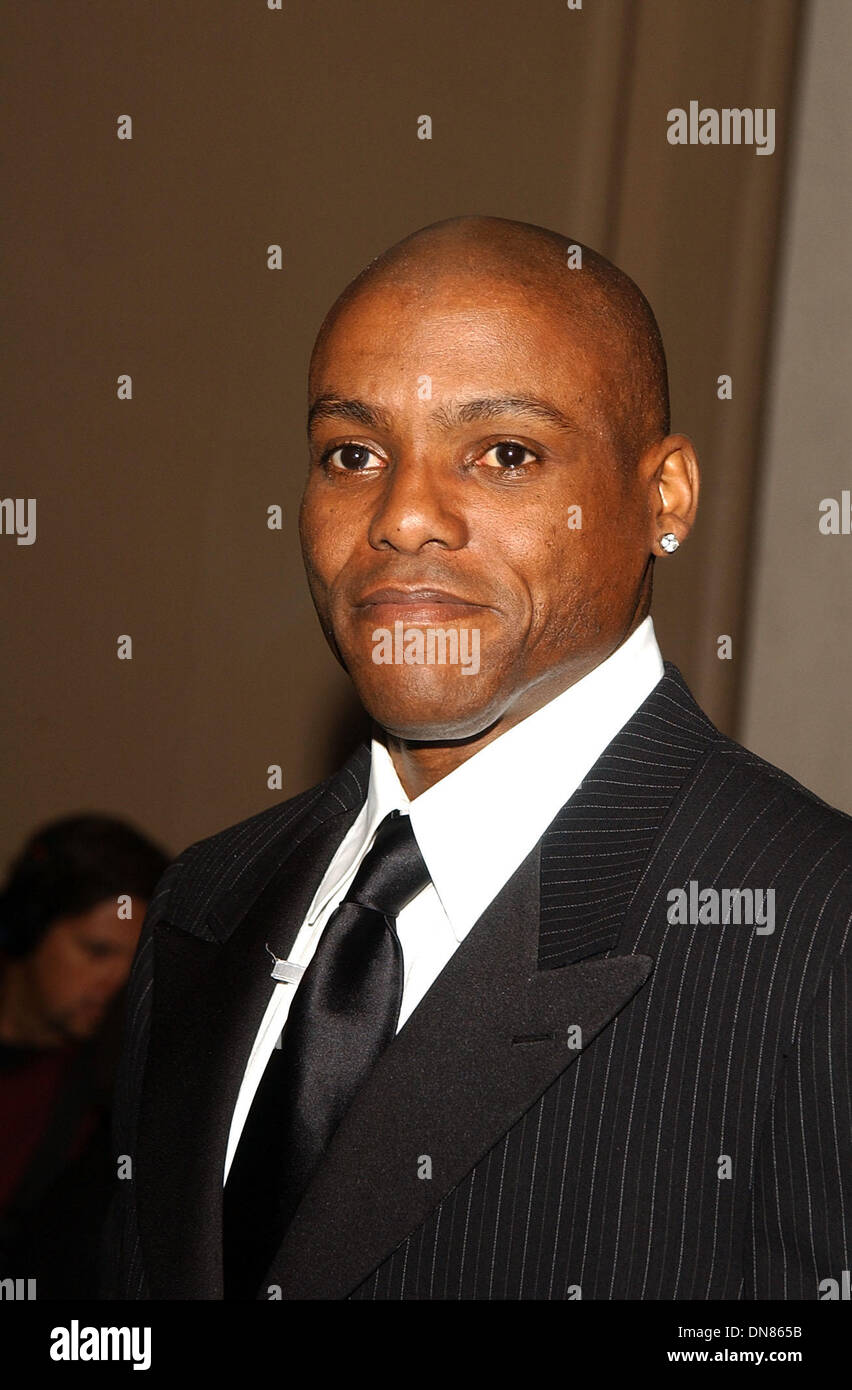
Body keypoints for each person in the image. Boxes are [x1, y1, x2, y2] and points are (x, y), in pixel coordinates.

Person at [103, 215, 851, 1301]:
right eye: (353, 454)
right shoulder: (206, 900)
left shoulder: (815, 937)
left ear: (665, 499)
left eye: (504, 453)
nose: (403, 516)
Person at [0, 814, 169, 1296]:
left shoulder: (109, 1093)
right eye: (97, 951)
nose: (117, 983)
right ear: (28, 929)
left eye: (133, 963)